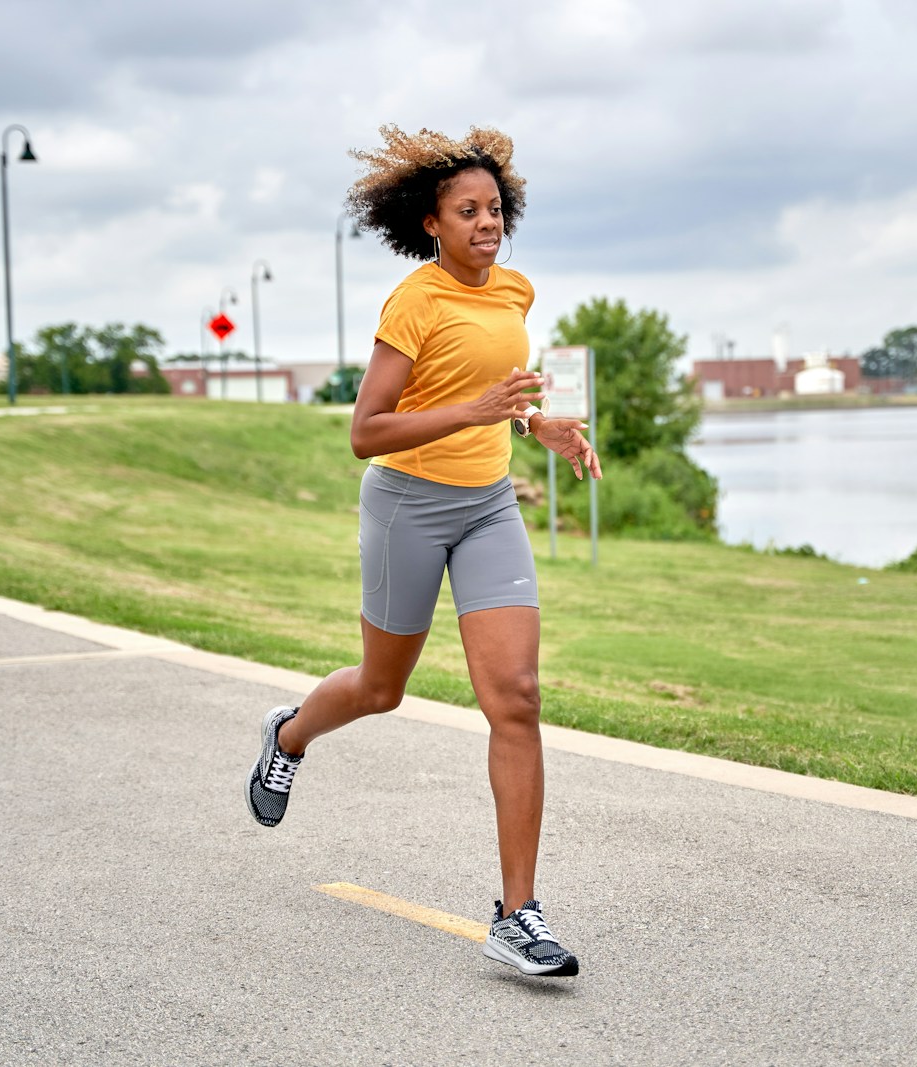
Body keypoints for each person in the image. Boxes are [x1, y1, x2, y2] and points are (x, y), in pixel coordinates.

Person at [244, 125, 600, 978]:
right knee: (381, 687)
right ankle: (288, 735)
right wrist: (475, 411)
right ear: (432, 223)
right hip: (407, 501)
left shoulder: (515, 292)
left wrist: (530, 421)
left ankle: (518, 913)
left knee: (514, 695)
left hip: (488, 506)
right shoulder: (414, 301)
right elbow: (366, 431)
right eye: (467, 211)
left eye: (494, 208)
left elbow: (488, 394)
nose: (487, 223)